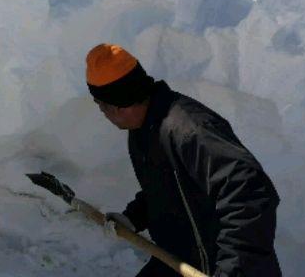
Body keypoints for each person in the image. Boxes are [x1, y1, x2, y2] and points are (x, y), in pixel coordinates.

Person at [86, 43, 282, 277]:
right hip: (179, 261)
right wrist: (132, 217)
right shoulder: (144, 128)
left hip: (224, 266)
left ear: (119, 105)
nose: (103, 115)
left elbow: (249, 191)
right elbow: (169, 189)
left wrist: (234, 270)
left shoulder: (189, 129)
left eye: (102, 107)